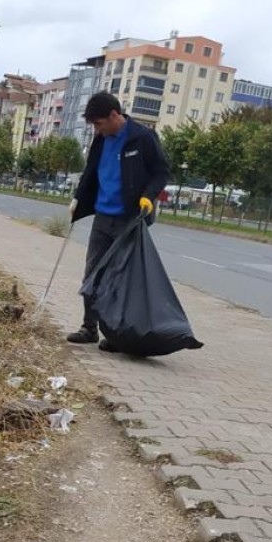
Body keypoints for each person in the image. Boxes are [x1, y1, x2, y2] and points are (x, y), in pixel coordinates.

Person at [67, 92, 171, 350]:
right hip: (103, 216)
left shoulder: (142, 138)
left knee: (120, 279)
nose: (97, 129)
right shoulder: (101, 140)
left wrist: (148, 197)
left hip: (129, 218)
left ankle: (115, 334)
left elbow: (161, 172)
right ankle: (89, 328)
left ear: (115, 116)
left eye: (99, 123)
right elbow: (91, 171)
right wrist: (78, 199)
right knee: (93, 273)